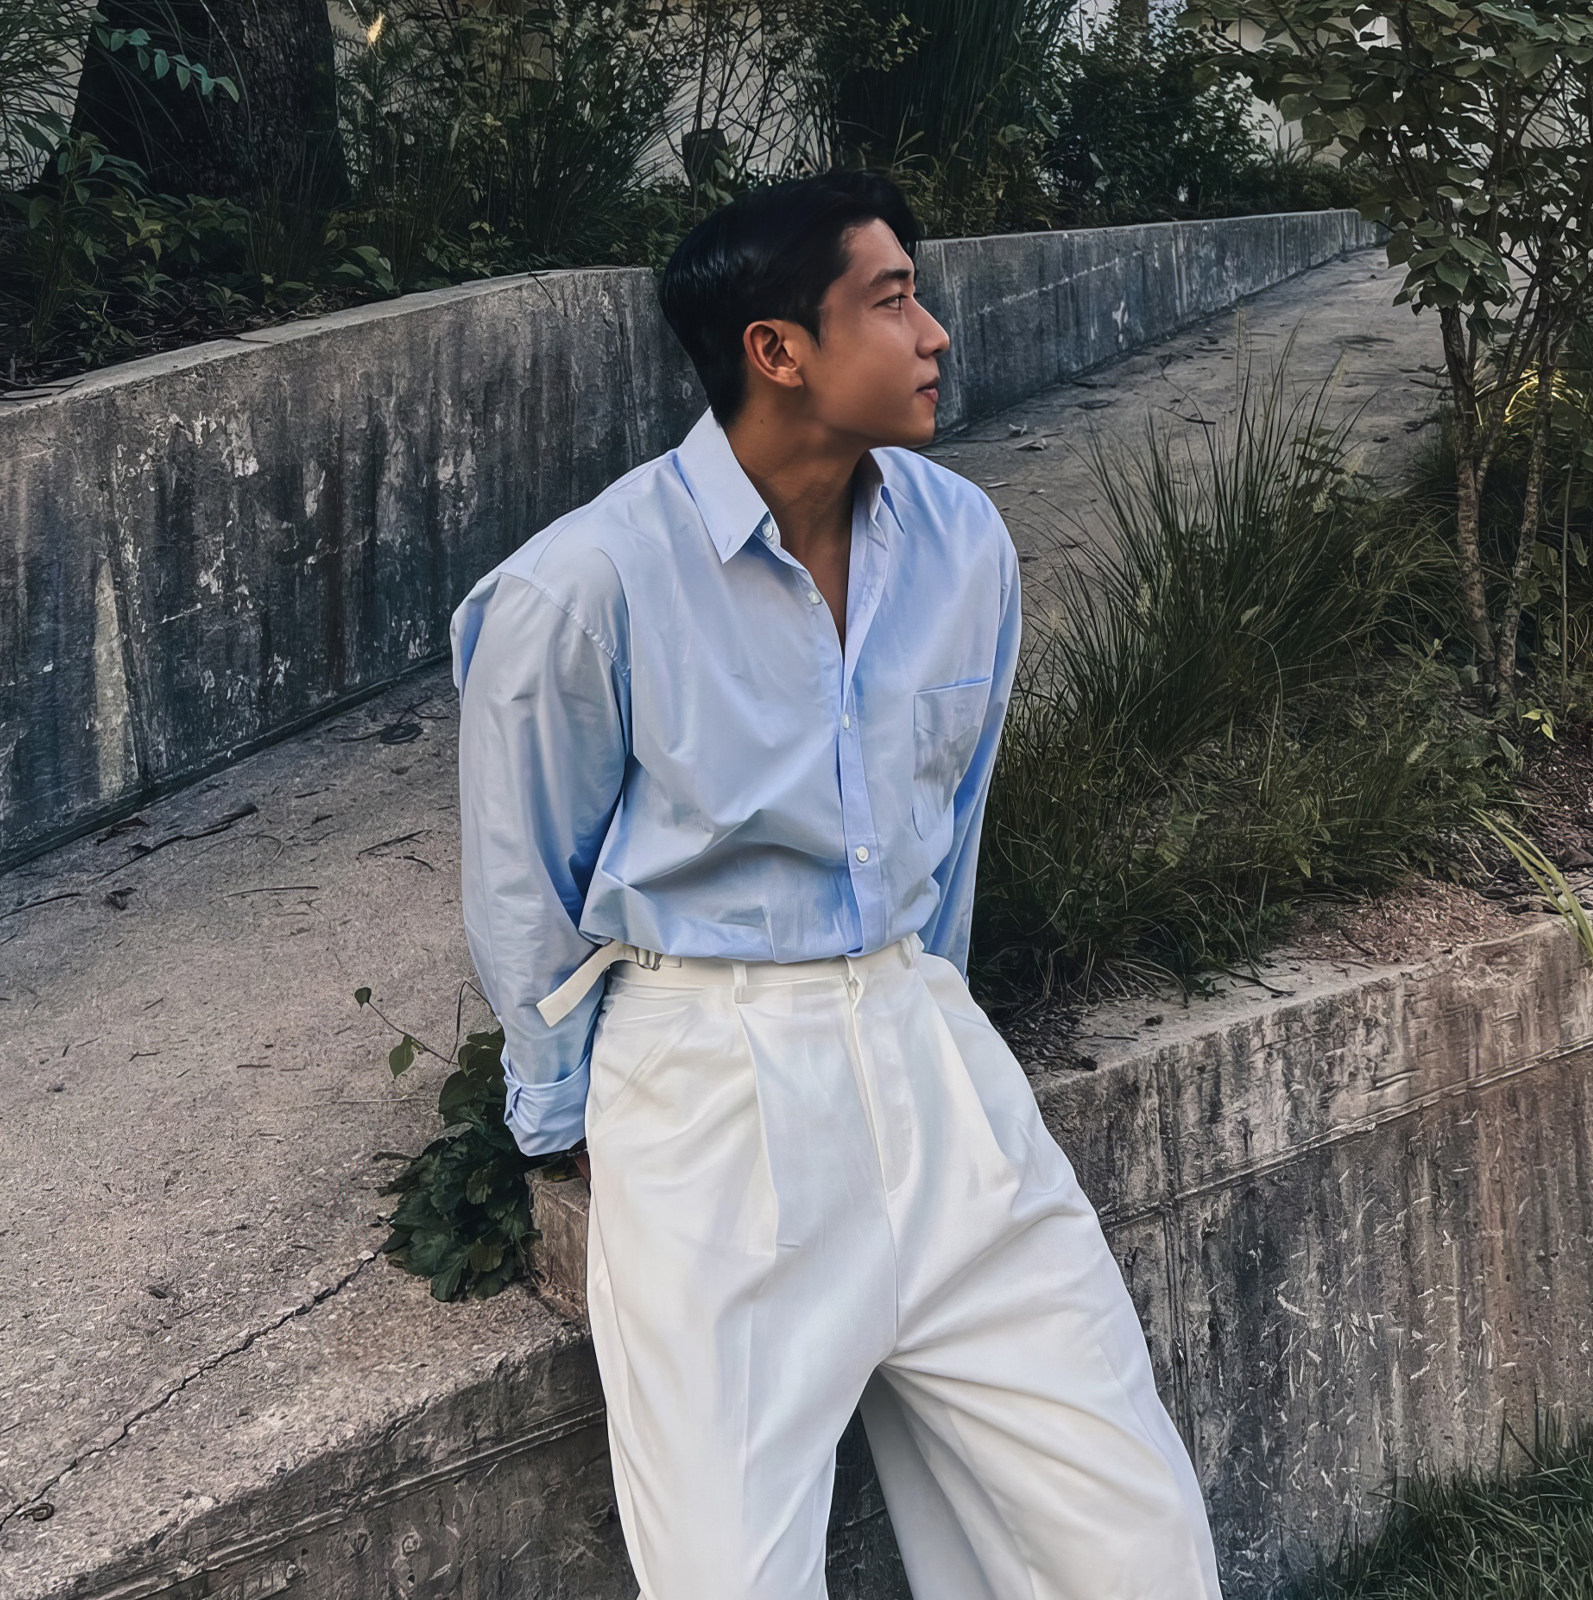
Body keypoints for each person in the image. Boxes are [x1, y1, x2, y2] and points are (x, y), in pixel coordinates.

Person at [450, 168, 1224, 1600]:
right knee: (731, 1575)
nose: (934, 333)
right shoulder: (586, 587)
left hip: (931, 1058)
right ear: (778, 349)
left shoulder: (961, 543)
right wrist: (568, 1120)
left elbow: (954, 820)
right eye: (893, 299)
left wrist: (936, 1009)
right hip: (712, 1093)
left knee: (1130, 1540)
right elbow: (524, 882)